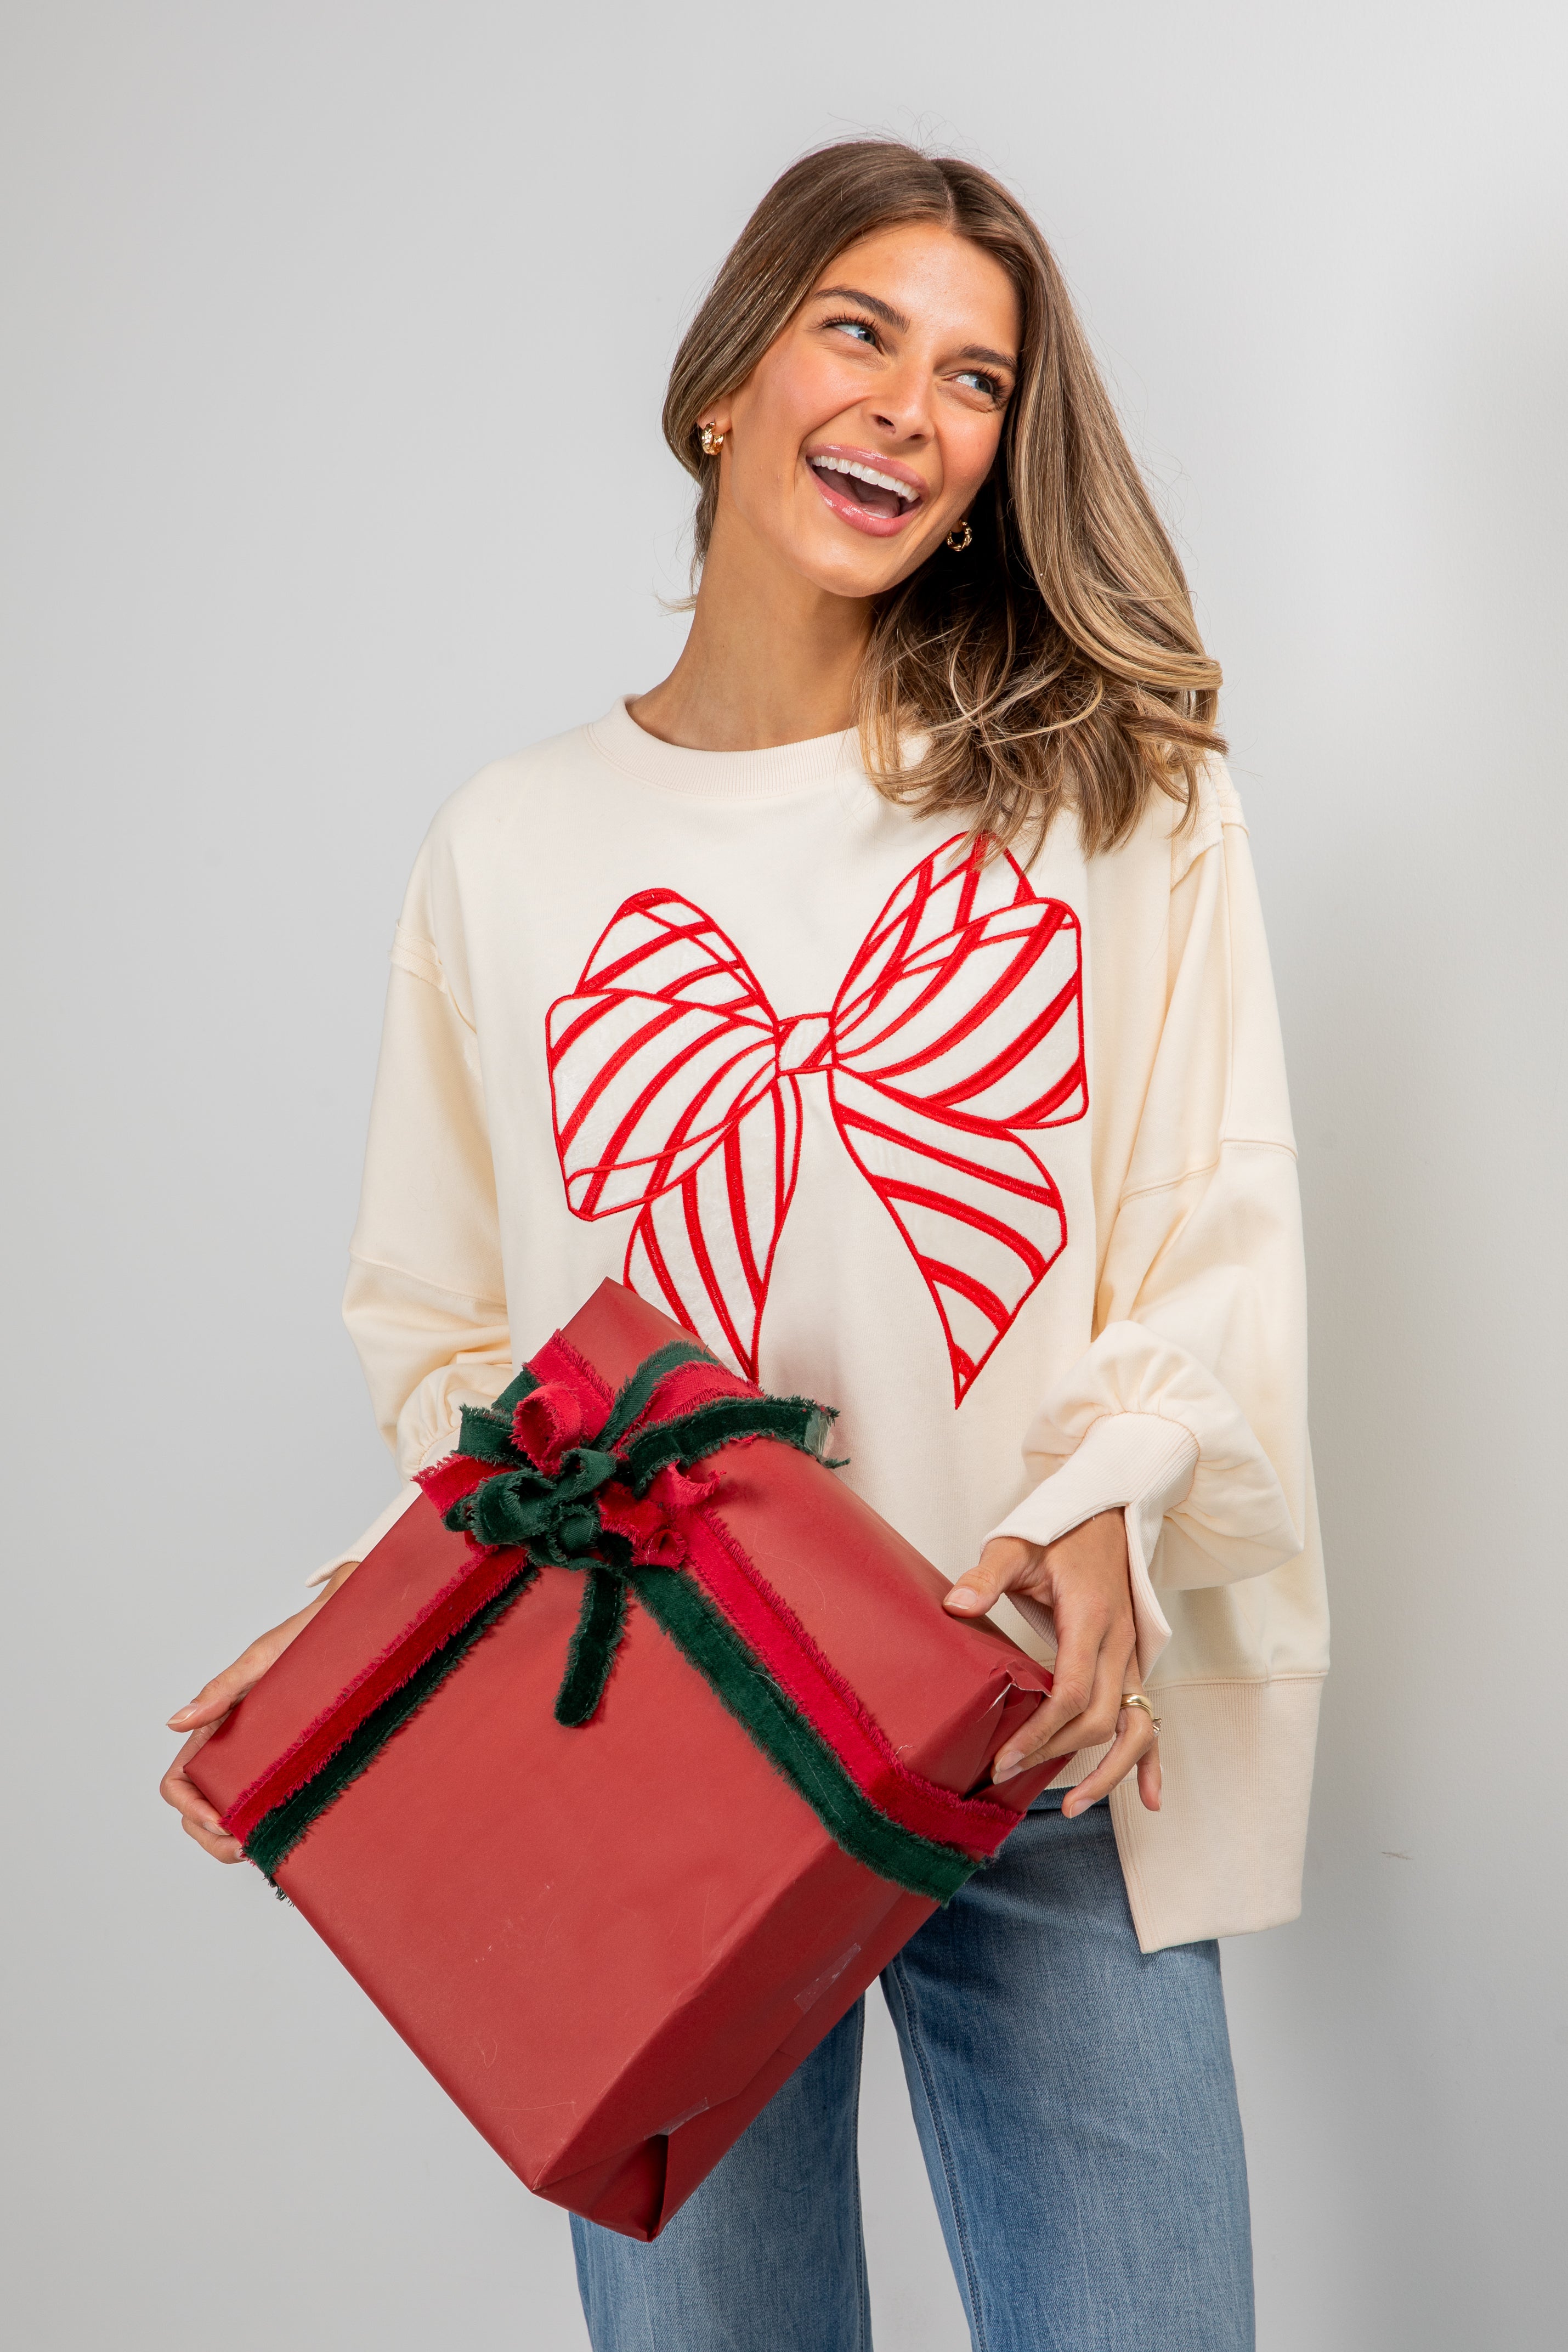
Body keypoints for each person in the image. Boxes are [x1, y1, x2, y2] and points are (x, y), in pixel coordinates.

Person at [161, 139, 1326, 2352]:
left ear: (995, 467)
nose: (910, 406)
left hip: (1018, 1739)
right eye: (858, 333)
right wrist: (368, 1643)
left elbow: (1215, 1213)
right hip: (660, 1741)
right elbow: (463, 1342)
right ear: (728, 381)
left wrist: (1101, 1500)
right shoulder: (511, 851)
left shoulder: (1111, 792)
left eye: (975, 381)